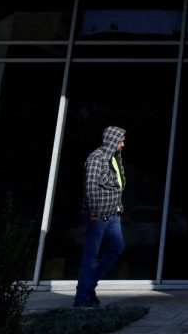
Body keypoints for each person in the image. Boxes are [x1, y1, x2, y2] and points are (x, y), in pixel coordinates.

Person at [75, 126, 126, 308]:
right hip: (98, 216)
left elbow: (117, 185)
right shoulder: (97, 158)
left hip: (113, 214)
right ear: (112, 140)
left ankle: (88, 286)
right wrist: (94, 213)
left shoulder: (113, 159)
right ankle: (82, 298)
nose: (123, 144)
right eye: (120, 141)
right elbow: (90, 187)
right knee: (91, 255)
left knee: (117, 248)